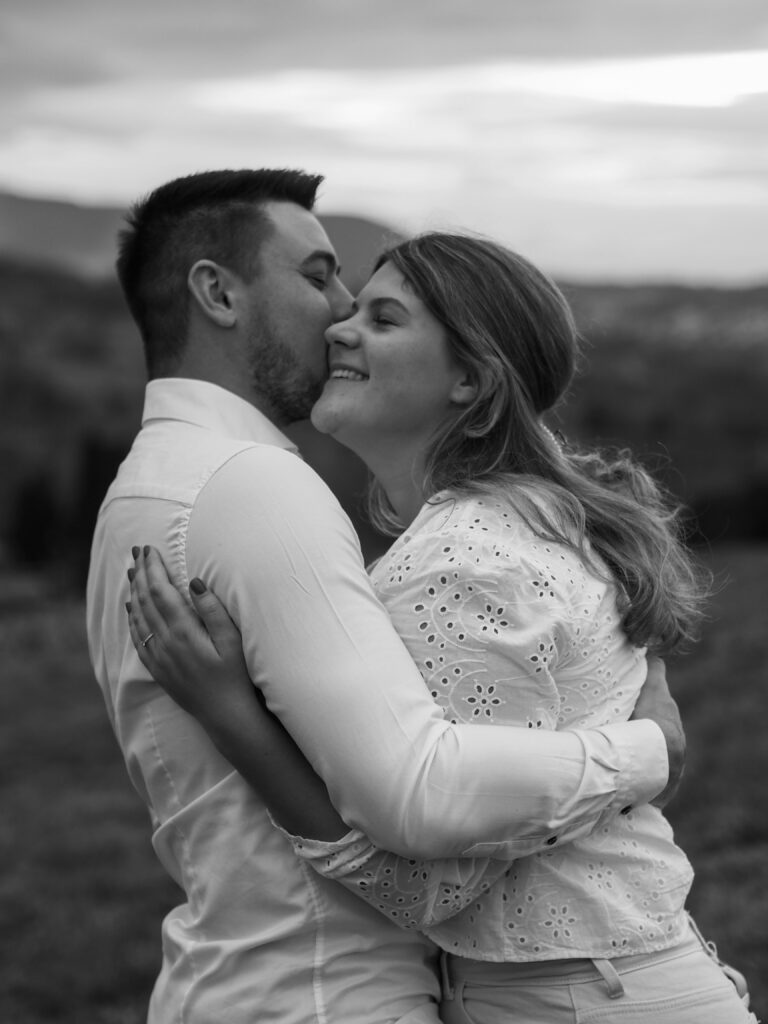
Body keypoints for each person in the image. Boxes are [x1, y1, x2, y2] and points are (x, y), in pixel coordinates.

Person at [87, 168, 684, 1024]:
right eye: (320, 277)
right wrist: (649, 751)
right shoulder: (253, 485)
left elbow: (431, 830)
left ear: (470, 380)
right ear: (217, 293)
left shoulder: (148, 485)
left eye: (376, 311)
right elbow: (420, 799)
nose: (339, 315)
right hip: (325, 994)